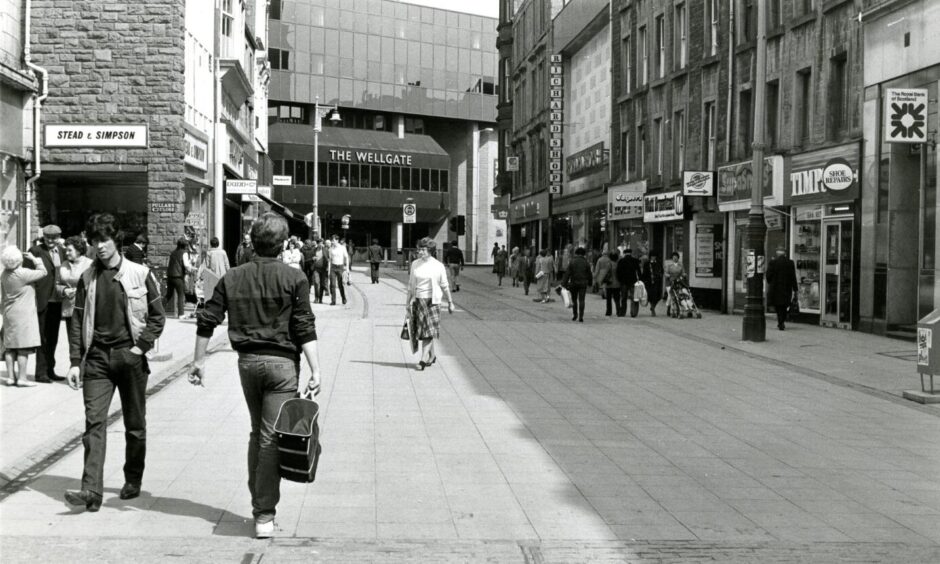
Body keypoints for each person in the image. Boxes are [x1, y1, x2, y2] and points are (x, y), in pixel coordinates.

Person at [190, 212, 321, 539]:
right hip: (282, 367)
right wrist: (316, 369)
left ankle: (259, 503)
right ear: (282, 243)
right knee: (269, 437)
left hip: (247, 362)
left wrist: (198, 360)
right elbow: (304, 326)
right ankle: (264, 513)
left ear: (252, 242)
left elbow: (208, 318)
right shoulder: (294, 279)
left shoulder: (233, 277)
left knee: (256, 432)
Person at [64, 213, 166, 512]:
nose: (100, 247)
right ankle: (90, 491)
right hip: (96, 359)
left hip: (129, 356)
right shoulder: (87, 278)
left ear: (115, 240)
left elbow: (157, 316)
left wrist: (140, 348)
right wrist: (73, 361)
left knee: (135, 424)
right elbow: (78, 319)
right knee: (94, 423)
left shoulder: (139, 273)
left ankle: (133, 478)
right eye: (95, 241)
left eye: (105, 240)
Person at [405, 237, 454, 370]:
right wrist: (407, 302)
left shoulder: (438, 265)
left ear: (430, 251)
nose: (420, 251)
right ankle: (432, 356)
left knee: (429, 331)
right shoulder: (415, 263)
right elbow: (410, 285)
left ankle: (423, 359)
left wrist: (450, 302)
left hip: (433, 302)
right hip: (419, 301)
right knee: (424, 331)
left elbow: (444, 285)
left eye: (423, 249)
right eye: (419, 249)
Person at [1, 246, 47, 386]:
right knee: (23, 348)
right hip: (24, 314)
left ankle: (10, 377)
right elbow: (43, 272)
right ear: (19, 260)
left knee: (9, 348)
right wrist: (35, 260)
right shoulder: (23, 273)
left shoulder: (4, 274)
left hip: (9, 313)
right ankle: (22, 378)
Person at [28, 224, 66, 382]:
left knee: (53, 337)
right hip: (42, 299)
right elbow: (29, 276)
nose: (51, 240)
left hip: (57, 300)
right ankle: (41, 373)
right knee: (42, 337)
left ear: (59, 237)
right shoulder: (35, 252)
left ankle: (50, 369)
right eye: (48, 237)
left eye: (54, 237)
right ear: (43, 237)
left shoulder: (63, 251)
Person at [57, 236, 93, 352]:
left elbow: (95, 286)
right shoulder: (64, 264)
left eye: (69, 250)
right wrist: (63, 290)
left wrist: (80, 291)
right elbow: (57, 283)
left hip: (86, 309)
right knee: (73, 343)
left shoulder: (90, 265)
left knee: (87, 342)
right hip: (69, 309)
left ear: (79, 250)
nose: (66, 253)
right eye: (65, 250)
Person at [766, 246, 799, 330]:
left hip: (776, 288)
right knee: (784, 305)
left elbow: (768, 276)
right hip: (786, 288)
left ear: (777, 252)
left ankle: (780, 322)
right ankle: (782, 321)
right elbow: (793, 277)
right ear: (785, 253)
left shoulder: (773, 262)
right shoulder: (790, 263)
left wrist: (771, 283)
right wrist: (795, 289)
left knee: (778, 306)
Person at [562, 247, 592, 323]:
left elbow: (567, 273)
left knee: (574, 300)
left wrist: (564, 283)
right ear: (584, 254)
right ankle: (581, 316)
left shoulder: (572, 262)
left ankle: (575, 315)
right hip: (583, 284)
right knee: (582, 300)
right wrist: (590, 282)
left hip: (573, 283)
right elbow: (589, 274)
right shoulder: (586, 262)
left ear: (576, 253)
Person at [165, 238, 191, 318]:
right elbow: (186, 265)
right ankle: (181, 314)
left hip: (170, 276)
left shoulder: (173, 253)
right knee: (181, 294)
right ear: (185, 245)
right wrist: (190, 269)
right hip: (178, 276)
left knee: (168, 295)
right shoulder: (184, 253)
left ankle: (159, 310)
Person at [616, 248, 642, 318]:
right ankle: (633, 312)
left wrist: (620, 280)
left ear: (624, 253)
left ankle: (623, 312)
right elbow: (638, 271)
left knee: (624, 297)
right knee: (633, 297)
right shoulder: (635, 261)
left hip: (624, 282)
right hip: (633, 281)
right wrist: (639, 279)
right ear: (631, 253)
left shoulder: (621, 261)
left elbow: (618, 272)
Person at [594, 250, 621, 317]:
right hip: (617, 284)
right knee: (617, 299)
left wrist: (600, 281)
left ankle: (609, 312)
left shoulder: (609, 264)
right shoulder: (618, 264)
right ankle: (618, 311)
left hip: (609, 284)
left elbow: (605, 273)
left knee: (608, 299)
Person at [327, 234, 349, 305]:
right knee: (332, 285)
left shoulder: (342, 248)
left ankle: (343, 298)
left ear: (337, 240)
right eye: (332, 240)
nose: (332, 242)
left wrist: (347, 268)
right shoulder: (331, 249)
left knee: (340, 285)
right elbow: (330, 260)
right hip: (333, 267)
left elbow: (347, 257)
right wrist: (329, 270)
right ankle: (333, 300)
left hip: (340, 267)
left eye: (333, 240)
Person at [641, 251, 664, 316]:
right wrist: (643, 280)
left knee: (658, 296)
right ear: (650, 257)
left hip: (657, 282)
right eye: (652, 256)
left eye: (654, 256)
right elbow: (644, 273)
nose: (653, 258)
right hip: (649, 282)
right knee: (651, 296)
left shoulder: (659, 263)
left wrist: (660, 276)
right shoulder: (647, 264)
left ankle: (653, 306)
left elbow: (662, 271)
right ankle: (653, 308)